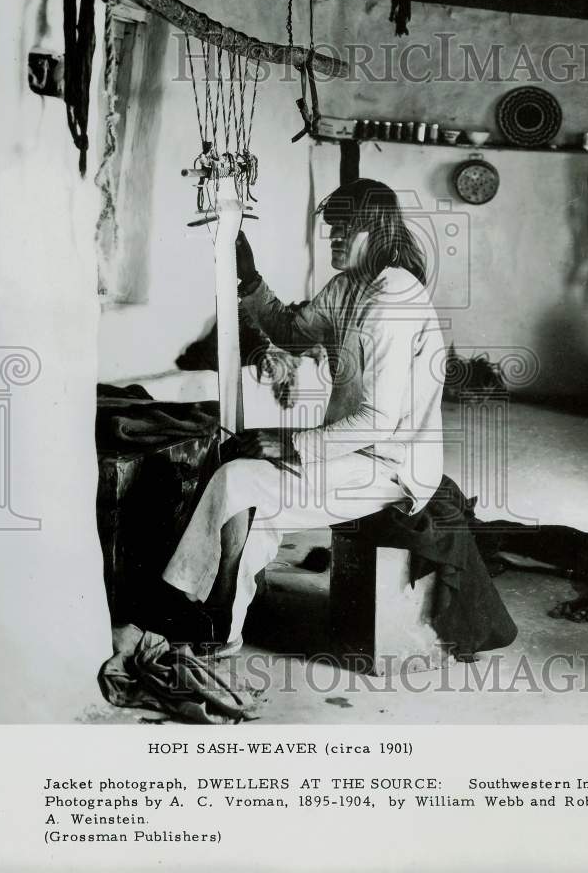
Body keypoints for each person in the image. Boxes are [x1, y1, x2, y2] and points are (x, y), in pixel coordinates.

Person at [159, 178, 447, 653]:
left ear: (375, 230)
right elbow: (292, 332)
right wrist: (249, 281)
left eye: (343, 228)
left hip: (389, 465)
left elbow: (378, 420)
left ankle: (208, 606)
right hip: (353, 450)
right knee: (250, 494)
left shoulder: (393, 298)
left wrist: (289, 442)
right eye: (331, 227)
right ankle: (222, 624)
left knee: (238, 480)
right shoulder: (350, 286)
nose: (332, 237)